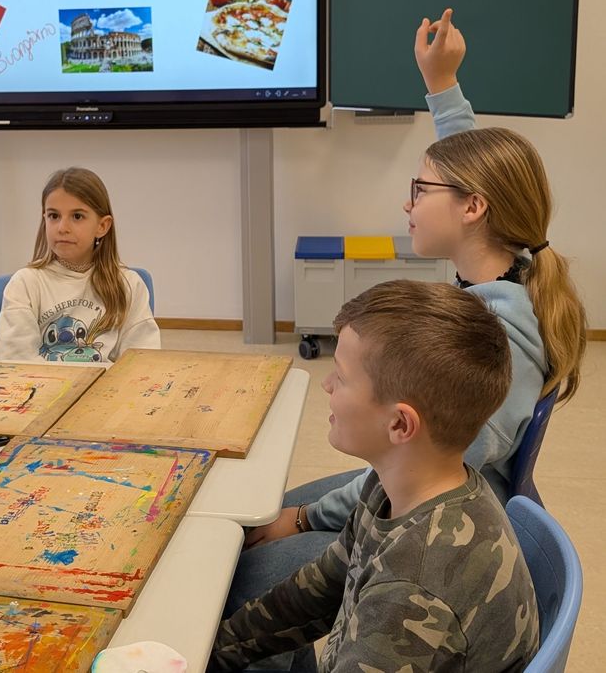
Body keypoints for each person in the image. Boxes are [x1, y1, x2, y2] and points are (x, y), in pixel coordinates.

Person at [226, 8, 587, 621]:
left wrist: (309, 518)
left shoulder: (497, 334)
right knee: (262, 518)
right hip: (418, 483)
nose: (408, 202)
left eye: (421, 190)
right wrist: (443, 84)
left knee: (240, 582)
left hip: (438, 523)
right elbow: (468, 157)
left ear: (474, 208)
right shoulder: (509, 263)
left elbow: (431, 469)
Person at [208, 280, 539, 672]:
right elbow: (322, 587)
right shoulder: (394, 487)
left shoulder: (412, 592)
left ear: (400, 424)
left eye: (342, 378)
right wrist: (215, 652)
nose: (326, 384)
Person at [0, 167, 159, 362]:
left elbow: (143, 359)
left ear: (102, 226)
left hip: (105, 390)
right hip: (43, 389)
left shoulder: (129, 285)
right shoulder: (25, 283)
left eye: (77, 216)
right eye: (54, 216)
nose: (62, 228)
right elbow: (17, 360)